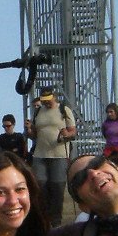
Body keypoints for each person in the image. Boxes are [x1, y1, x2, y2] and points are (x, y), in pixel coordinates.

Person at [29, 89, 76, 225]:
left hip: (59, 154)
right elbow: (35, 134)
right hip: (40, 153)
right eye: (44, 101)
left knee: (57, 187)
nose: (46, 103)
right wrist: (30, 131)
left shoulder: (64, 109)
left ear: (54, 97)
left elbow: (73, 131)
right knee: (40, 186)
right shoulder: (38, 111)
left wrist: (66, 134)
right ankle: (42, 218)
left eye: (48, 100)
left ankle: (56, 220)